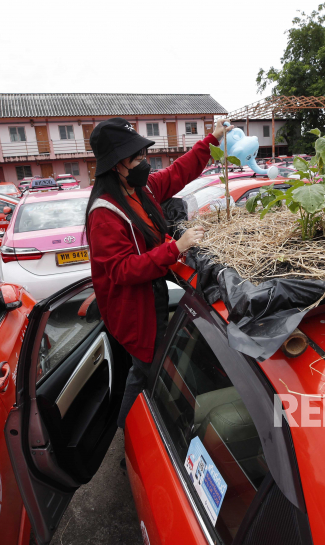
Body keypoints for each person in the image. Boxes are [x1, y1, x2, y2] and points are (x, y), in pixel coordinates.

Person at [85, 117, 234, 430]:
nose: (144, 162)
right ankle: (132, 434)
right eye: (136, 158)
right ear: (115, 165)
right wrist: (175, 248)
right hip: (134, 312)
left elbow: (179, 171)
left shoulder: (141, 189)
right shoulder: (105, 213)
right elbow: (121, 270)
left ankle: (133, 431)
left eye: (143, 155)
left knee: (144, 371)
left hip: (150, 299)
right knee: (147, 374)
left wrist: (212, 140)